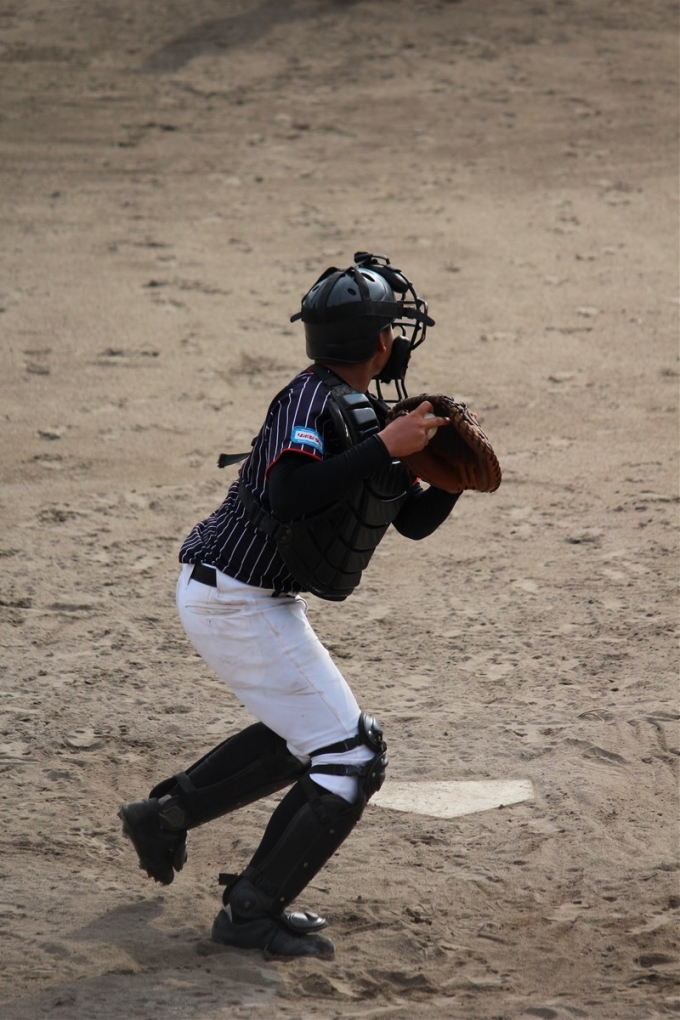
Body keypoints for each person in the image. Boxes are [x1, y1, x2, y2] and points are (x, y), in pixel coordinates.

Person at [118, 252, 461, 959]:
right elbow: (288, 494)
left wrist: (448, 478)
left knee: (309, 733)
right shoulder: (308, 402)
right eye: (394, 329)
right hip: (231, 599)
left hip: (248, 598)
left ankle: (165, 816)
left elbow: (412, 522)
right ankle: (251, 911)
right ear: (380, 342)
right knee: (352, 754)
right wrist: (386, 447)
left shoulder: (368, 413)